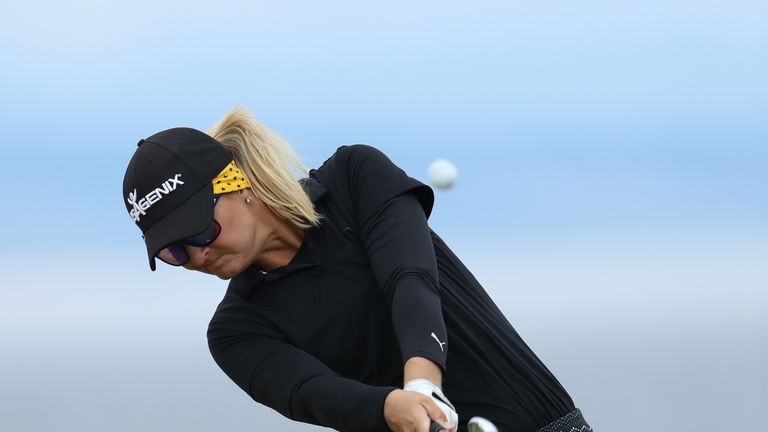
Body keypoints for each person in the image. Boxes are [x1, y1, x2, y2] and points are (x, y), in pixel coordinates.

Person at [122, 107, 592, 432]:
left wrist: (423, 384)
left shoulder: (355, 179)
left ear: (236, 182)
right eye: (174, 253)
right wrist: (396, 408)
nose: (197, 256)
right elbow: (318, 394)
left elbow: (409, 280)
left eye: (199, 231)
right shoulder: (235, 333)